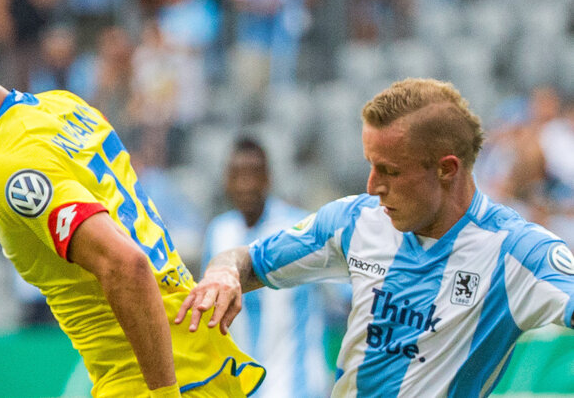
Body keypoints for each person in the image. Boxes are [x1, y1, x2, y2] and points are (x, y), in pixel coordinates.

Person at [0, 3, 264, 397]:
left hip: (151, 379)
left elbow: (125, 264)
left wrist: (162, 394)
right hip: (199, 358)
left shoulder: (10, 168)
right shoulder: (63, 108)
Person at [177, 78, 574, 397]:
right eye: (370, 166)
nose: (372, 186)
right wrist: (223, 275)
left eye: (389, 171)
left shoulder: (518, 253)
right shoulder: (354, 221)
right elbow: (247, 260)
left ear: (446, 169)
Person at [201, 136, 332, 398]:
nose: (245, 185)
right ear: (226, 181)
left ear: (268, 178)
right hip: (241, 390)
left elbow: (341, 293)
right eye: (237, 175)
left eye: (254, 175)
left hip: (300, 387)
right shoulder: (218, 232)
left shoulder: (298, 229)